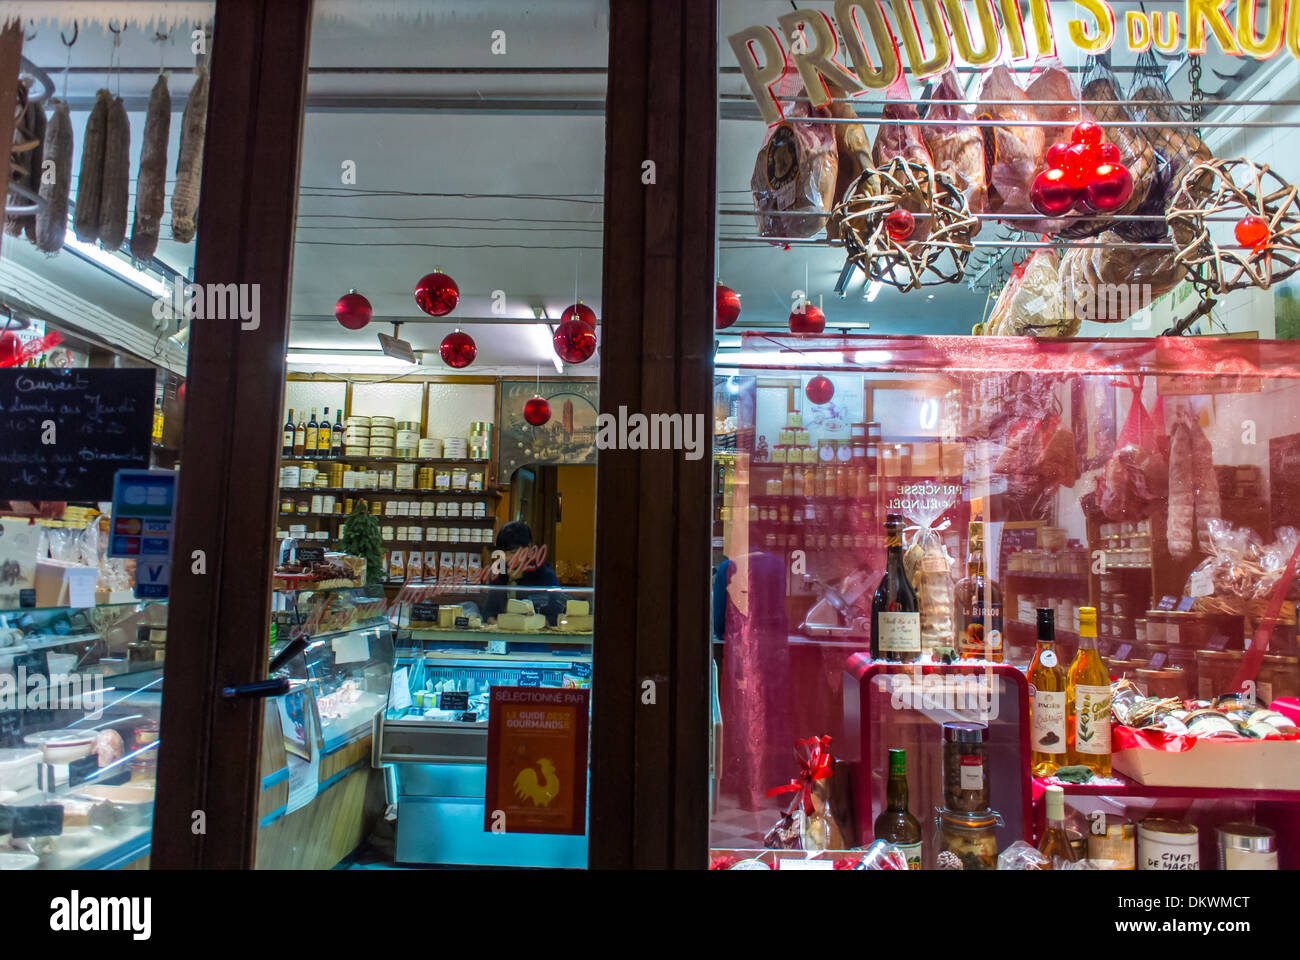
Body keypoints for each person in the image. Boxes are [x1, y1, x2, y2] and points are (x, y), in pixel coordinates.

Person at [482, 521, 566, 625]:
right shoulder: (498, 573)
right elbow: (488, 611)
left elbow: (557, 615)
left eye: (513, 553)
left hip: (534, 639)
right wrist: (496, 622)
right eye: (504, 554)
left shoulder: (545, 575)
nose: (508, 559)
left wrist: (532, 624)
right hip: (504, 638)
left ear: (529, 548)